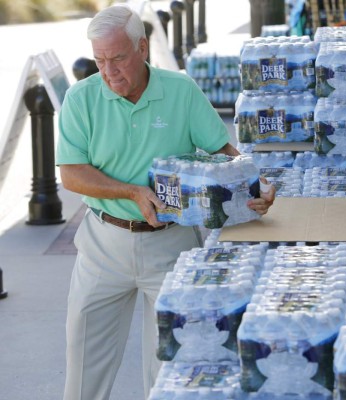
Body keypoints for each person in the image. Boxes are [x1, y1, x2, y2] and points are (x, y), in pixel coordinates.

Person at [56, 4, 275, 400]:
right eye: (100, 60)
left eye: (118, 58)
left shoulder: (181, 90)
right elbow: (71, 173)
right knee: (84, 363)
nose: (108, 72)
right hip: (103, 246)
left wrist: (257, 182)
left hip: (172, 245)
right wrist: (131, 191)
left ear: (142, 48)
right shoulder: (81, 98)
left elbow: (225, 152)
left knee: (172, 366)